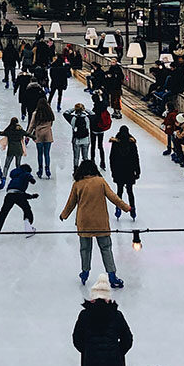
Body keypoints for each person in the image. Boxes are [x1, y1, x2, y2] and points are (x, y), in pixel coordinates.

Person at [59, 159, 129, 287]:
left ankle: (85, 273)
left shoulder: (78, 184)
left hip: (84, 222)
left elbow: (71, 203)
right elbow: (113, 197)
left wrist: (64, 215)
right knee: (106, 248)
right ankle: (112, 277)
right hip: (100, 222)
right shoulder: (100, 181)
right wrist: (126, 207)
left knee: (85, 249)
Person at [0, 162, 39, 242]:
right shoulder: (25, 173)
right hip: (19, 195)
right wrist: (31, 179)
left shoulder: (15, 176)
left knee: (3, 213)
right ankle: (28, 228)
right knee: (27, 210)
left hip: (9, 195)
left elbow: (17, 190)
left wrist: (31, 196)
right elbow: (26, 180)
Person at [108, 127, 140, 220]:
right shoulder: (132, 144)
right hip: (129, 171)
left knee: (119, 191)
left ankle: (118, 208)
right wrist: (137, 171)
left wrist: (113, 171)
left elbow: (112, 159)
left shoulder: (115, 143)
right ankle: (132, 209)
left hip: (119, 171)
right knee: (130, 191)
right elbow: (136, 158)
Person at [26, 96, 54, 179]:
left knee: (40, 153)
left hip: (39, 134)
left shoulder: (36, 113)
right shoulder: (49, 112)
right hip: (48, 134)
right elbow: (51, 123)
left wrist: (28, 135)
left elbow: (31, 125)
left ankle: (40, 169)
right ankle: (48, 169)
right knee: (47, 153)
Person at [0, 117, 28, 188]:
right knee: (18, 165)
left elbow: (1, 133)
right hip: (19, 150)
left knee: (6, 165)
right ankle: (18, 179)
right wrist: (34, 137)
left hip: (11, 150)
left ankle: (3, 178)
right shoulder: (20, 130)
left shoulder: (9, 129)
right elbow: (27, 134)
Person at [64, 103, 92, 170]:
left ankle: (76, 170)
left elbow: (65, 113)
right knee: (85, 157)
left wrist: (73, 109)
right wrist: (85, 110)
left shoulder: (73, 118)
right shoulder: (87, 118)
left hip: (76, 140)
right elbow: (93, 114)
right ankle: (86, 170)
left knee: (76, 157)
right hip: (86, 139)